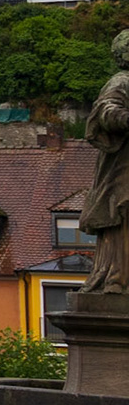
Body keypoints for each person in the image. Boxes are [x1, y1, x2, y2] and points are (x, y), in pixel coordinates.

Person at [80, 30, 129, 292]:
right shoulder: (121, 81)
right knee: (123, 213)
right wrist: (123, 118)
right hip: (123, 165)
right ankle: (117, 277)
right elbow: (106, 110)